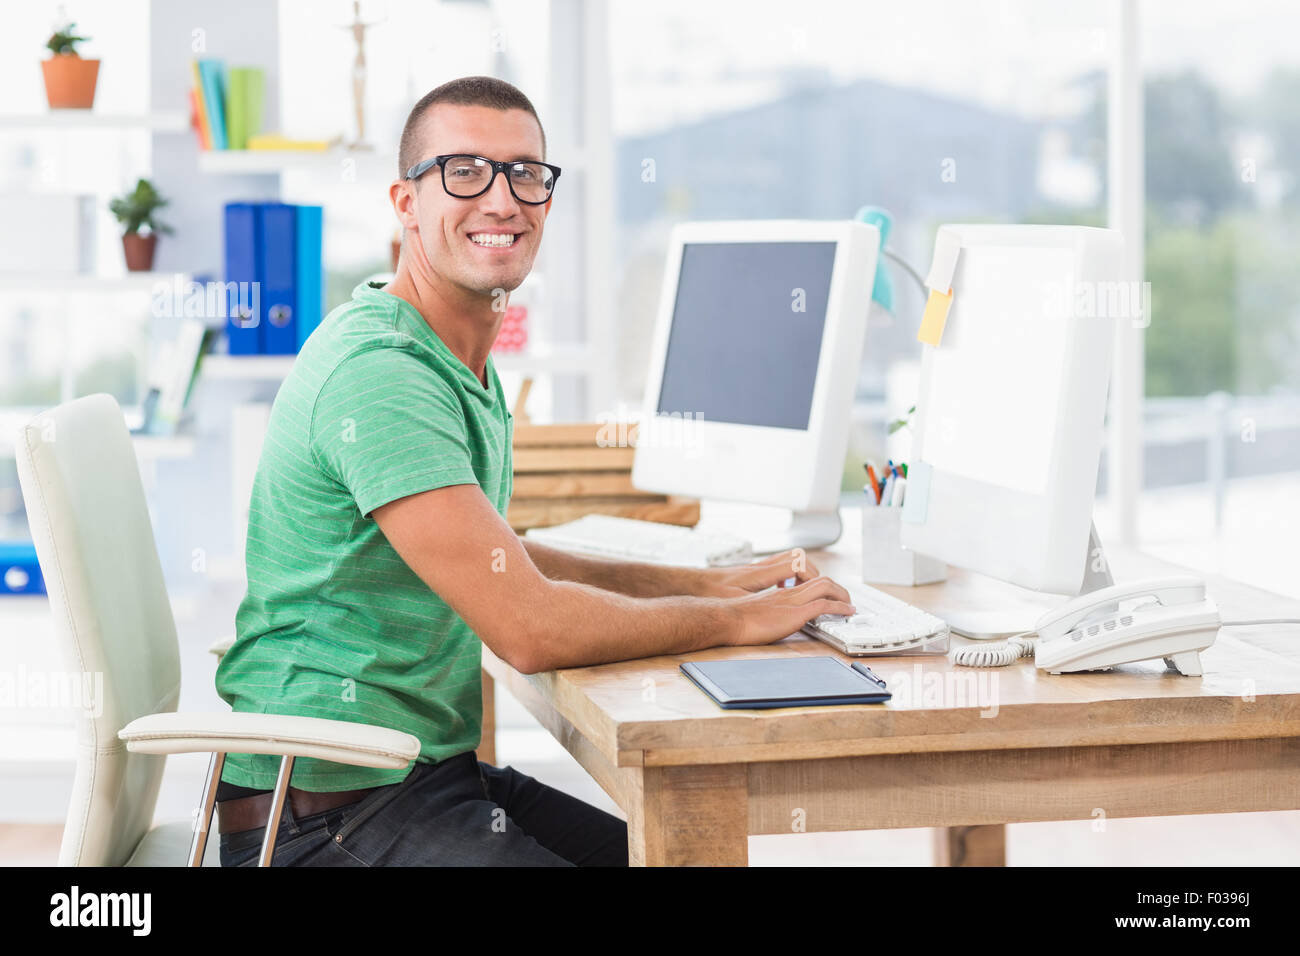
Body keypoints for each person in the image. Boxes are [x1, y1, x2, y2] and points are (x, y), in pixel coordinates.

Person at [213, 75, 854, 867]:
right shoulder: (383, 374)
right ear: (406, 201)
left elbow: (503, 558)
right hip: (318, 823)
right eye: (464, 171)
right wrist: (733, 623)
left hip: (419, 784)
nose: (502, 199)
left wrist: (708, 586)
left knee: (675, 853)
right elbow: (529, 627)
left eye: (525, 173)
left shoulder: (456, 363)